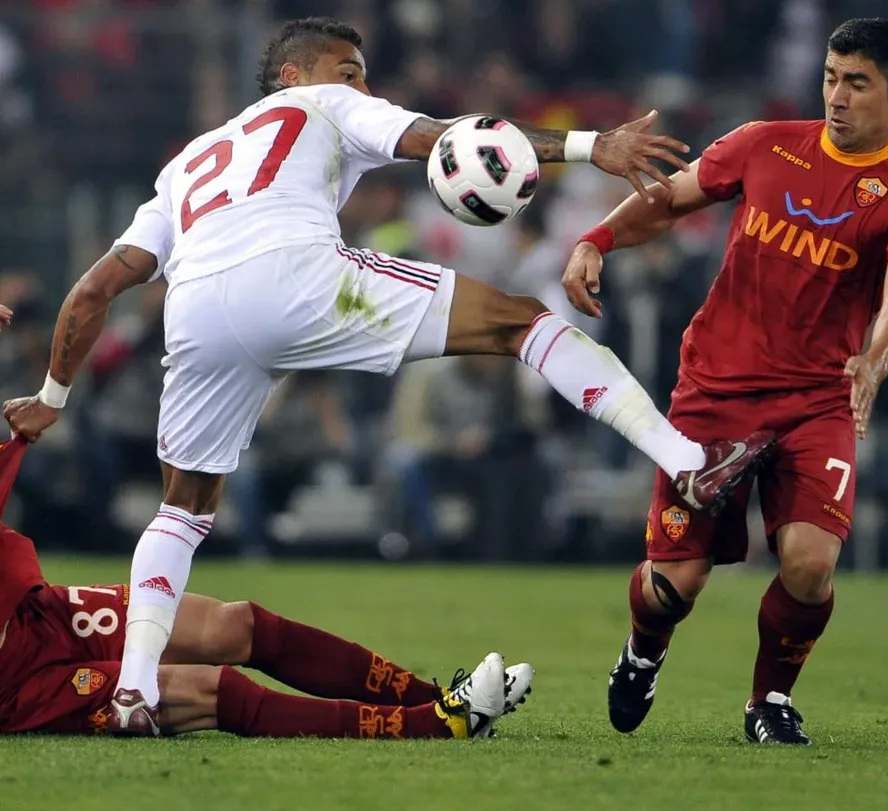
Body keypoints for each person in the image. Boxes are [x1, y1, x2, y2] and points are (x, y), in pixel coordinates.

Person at [3, 17, 772, 734]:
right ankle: (689, 463)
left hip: (199, 306)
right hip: (299, 276)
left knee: (183, 511)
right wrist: (590, 146)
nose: (363, 87)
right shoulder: (324, 102)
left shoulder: (187, 165)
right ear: (294, 74)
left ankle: (134, 689)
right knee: (520, 322)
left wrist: (51, 397)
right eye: (351, 71)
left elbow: (94, 290)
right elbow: (446, 139)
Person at [561, 18, 888, 746]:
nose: (837, 95)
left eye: (857, 83)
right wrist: (595, 239)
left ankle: (769, 699)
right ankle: (644, 649)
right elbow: (670, 199)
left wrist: (875, 355)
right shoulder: (766, 143)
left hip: (817, 400)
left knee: (809, 563)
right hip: (717, 390)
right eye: (831, 77)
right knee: (675, 582)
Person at [0, 437, 532, 740]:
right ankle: (436, 726)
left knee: (236, 625)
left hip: (29, 613)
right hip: (13, 683)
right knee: (207, 689)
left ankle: (440, 701)